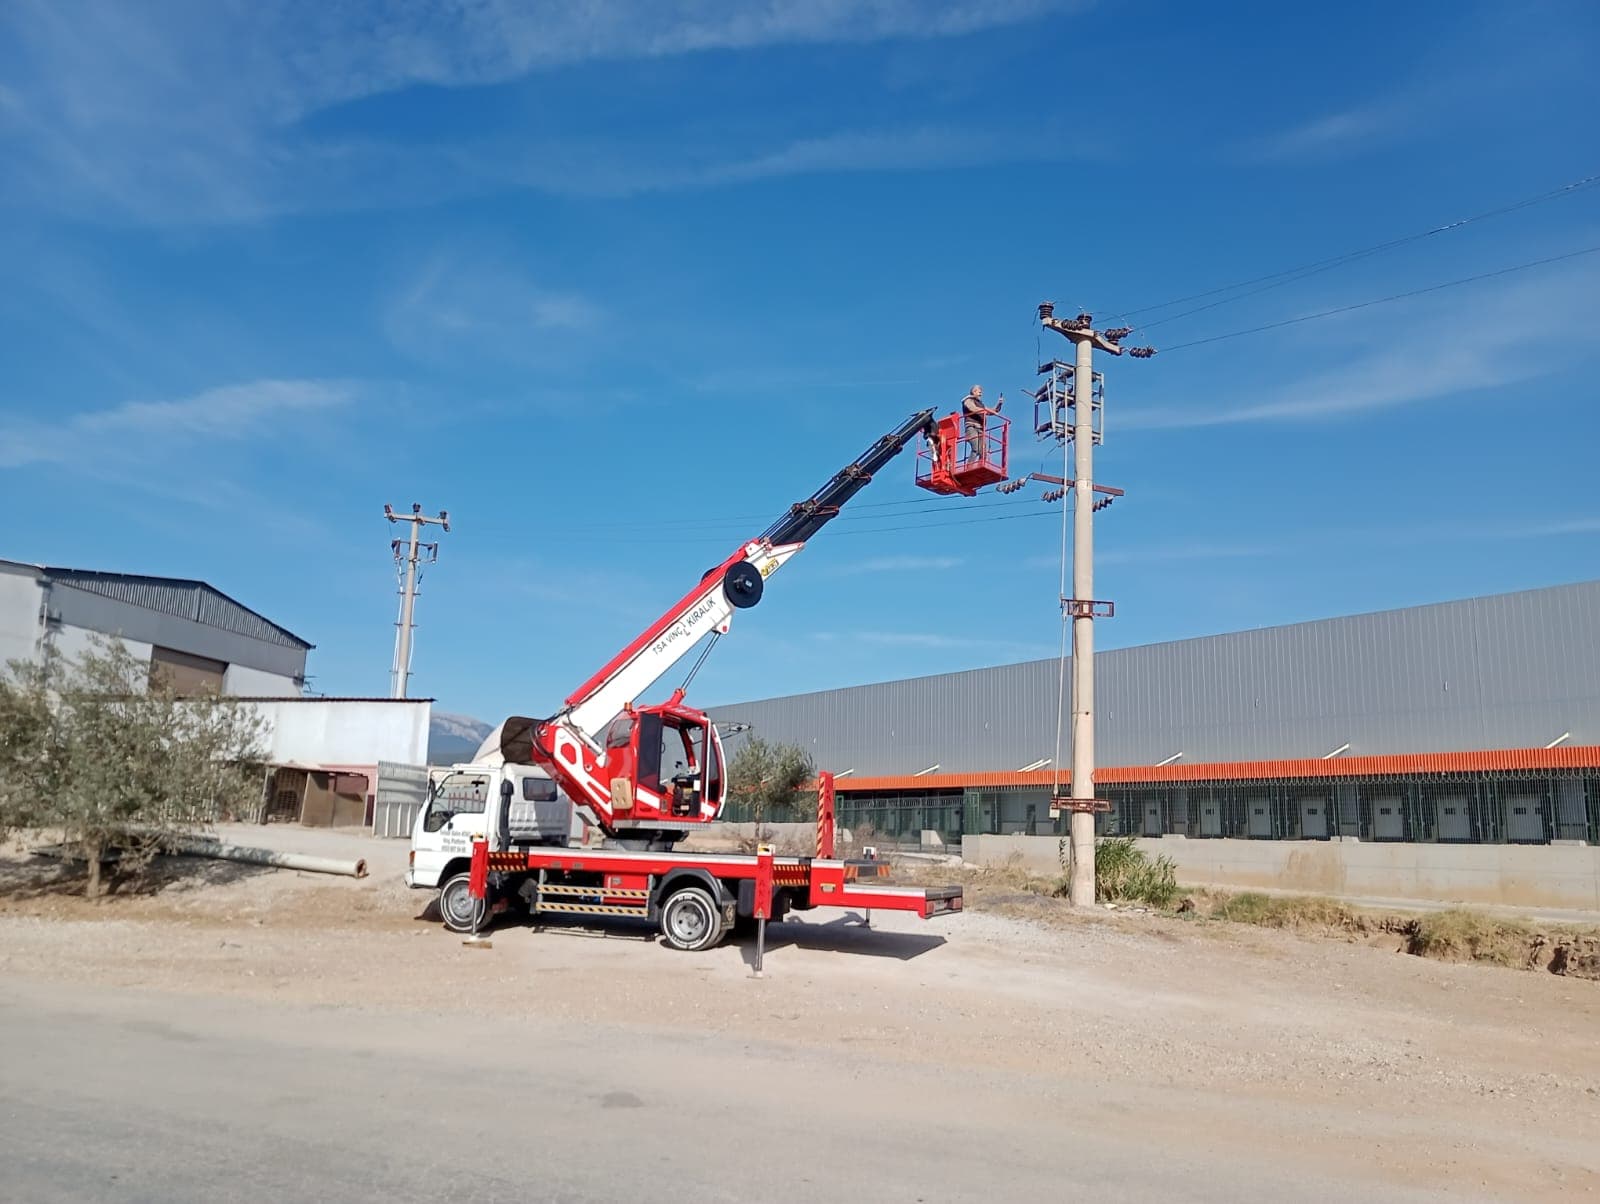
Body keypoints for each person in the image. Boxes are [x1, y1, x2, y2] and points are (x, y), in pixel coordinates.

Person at [961, 385, 1002, 463]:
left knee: (983, 452)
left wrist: (999, 404)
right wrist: (985, 410)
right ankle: (969, 467)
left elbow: (992, 411)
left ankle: (980, 466)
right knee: (975, 449)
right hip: (971, 427)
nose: (981, 394)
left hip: (980, 429)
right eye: (979, 392)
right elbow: (973, 408)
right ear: (974, 392)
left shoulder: (980, 404)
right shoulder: (968, 400)